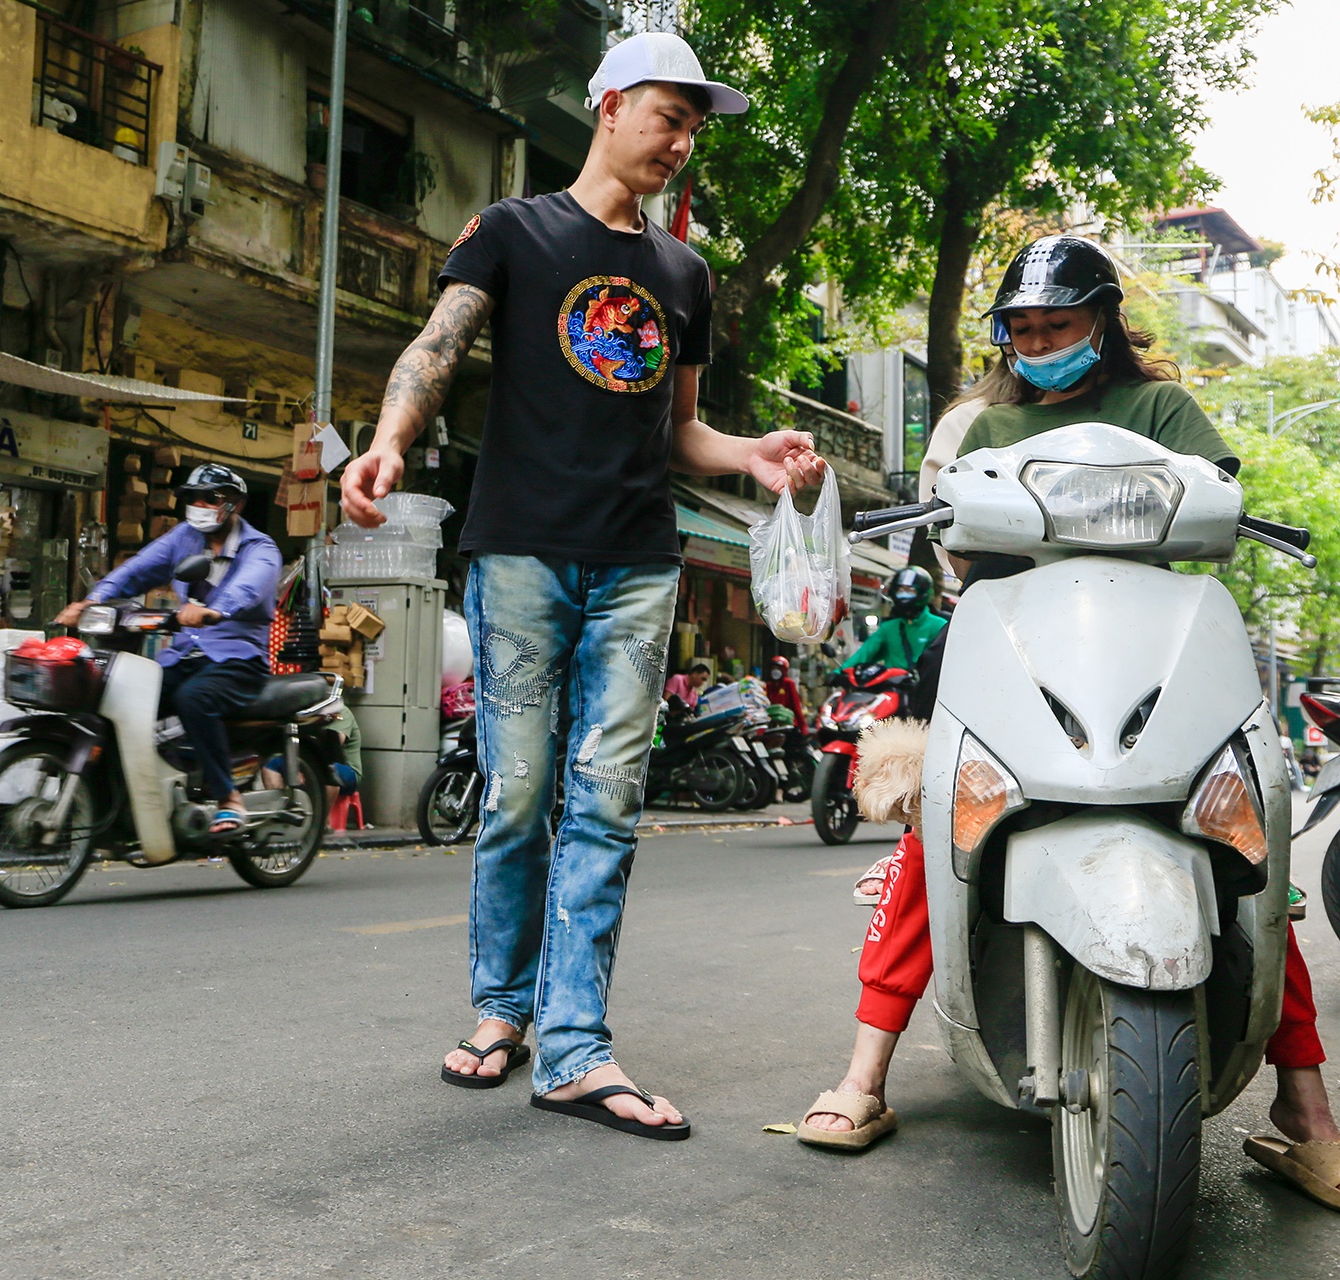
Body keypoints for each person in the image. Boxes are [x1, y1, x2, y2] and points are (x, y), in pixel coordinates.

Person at [797, 234, 1340, 1215]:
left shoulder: (1158, 409)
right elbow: (965, 552)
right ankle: (864, 1074)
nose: (1039, 342)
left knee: (1249, 857)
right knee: (939, 831)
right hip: (1023, 651)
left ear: (1101, 323)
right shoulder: (987, 427)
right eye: (1023, 328)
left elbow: (1218, 495)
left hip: (1150, 656)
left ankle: (1306, 1114)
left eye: (1058, 325)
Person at [341, 30, 822, 1139]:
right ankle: (502, 1008)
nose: (683, 136)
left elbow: (683, 427)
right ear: (608, 104)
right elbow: (436, 344)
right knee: (518, 790)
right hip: (520, 552)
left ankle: (572, 1044)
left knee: (605, 798)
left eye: (695, 122)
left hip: (639, 561)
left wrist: (749, 456)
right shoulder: (514, 230)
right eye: (669, 111)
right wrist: (388, 438)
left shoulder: (684, 274)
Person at [56, 464, 282, 835]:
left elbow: (249, 586)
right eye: (192, 498)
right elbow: (136, 570)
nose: (199, 505)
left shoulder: (261, 548)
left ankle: (229, 799)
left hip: (237, 659)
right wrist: (90, 601)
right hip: (182, 655)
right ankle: (124, 801)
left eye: (210, 498)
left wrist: (214, 610)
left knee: (194, 698)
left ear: (234, 505)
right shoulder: (184, 537)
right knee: (120, 697)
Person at [833, 567, 944, 676]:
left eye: (910, 590)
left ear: (923, 593)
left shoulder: (939, 627)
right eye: (901, 590)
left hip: (925, 691)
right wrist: (839, 673)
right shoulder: (889, 628)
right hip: (893, 689)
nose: (904, 594)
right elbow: (865, 653)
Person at [762, 655, 805, 735]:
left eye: (778, 668)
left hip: (787, 724)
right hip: (771, 725)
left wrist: (803, 727)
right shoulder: (768, 686)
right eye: (773, 668)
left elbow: (796, 706)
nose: (775, 671)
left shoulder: (788, 684)